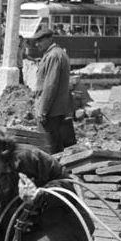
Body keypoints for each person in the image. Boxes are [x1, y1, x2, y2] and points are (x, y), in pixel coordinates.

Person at [21, 20, 75, 153]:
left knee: (47, 148)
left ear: (50, 39)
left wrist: (43, 110)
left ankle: (50, 172)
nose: (37, 44)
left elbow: (50, 85)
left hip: (52, 111)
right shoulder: (56, 54)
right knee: (56, 146)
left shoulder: (53, 56)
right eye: (36, 41)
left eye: (40, 40)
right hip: (57, 109)